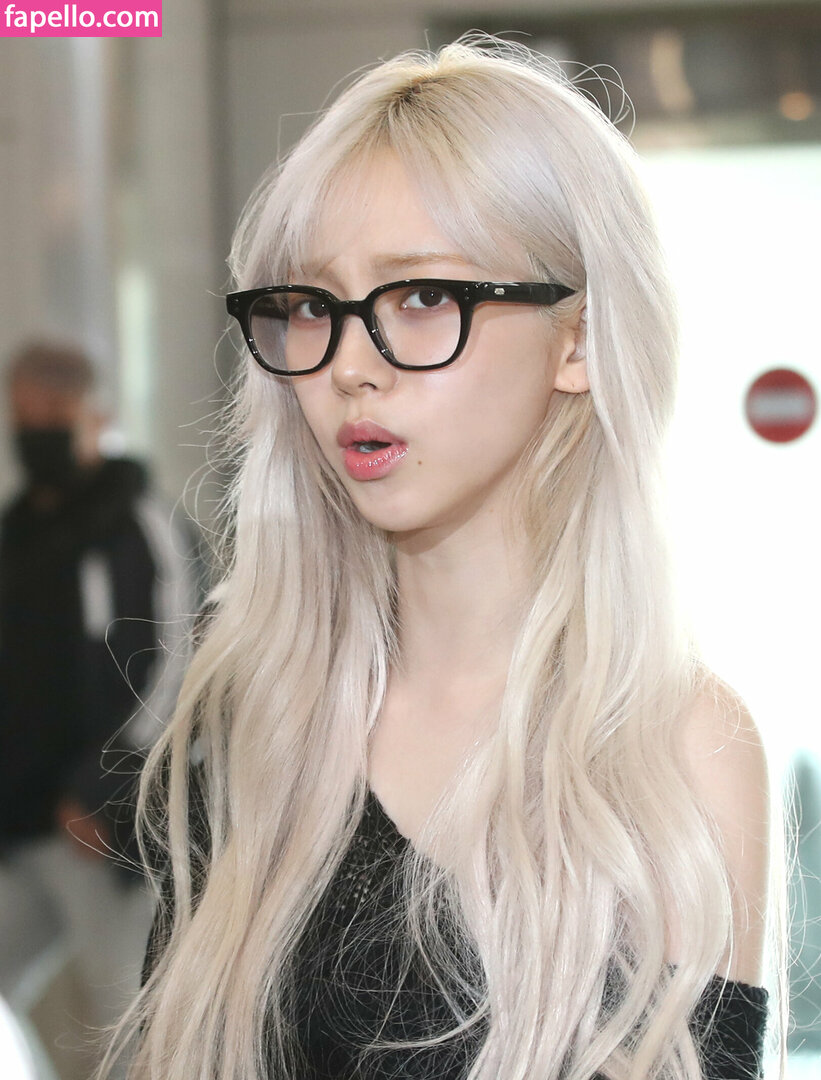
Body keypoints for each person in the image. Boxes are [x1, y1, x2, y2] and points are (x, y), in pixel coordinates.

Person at [120, 37, 777, 1080]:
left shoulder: (674, 748)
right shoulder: (260, 717)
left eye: (422, 296)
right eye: (311, 306)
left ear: (578, 340)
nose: (348, 365)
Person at [0, 341, 198, 1072]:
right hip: (19, 827)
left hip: (100, 829)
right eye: (24, 414)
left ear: (94, 415)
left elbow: (182, 662)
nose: (37, 429)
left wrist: (101, 786)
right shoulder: (17, 530)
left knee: (128, 1031)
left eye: (54, 411)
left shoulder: (142, 523)